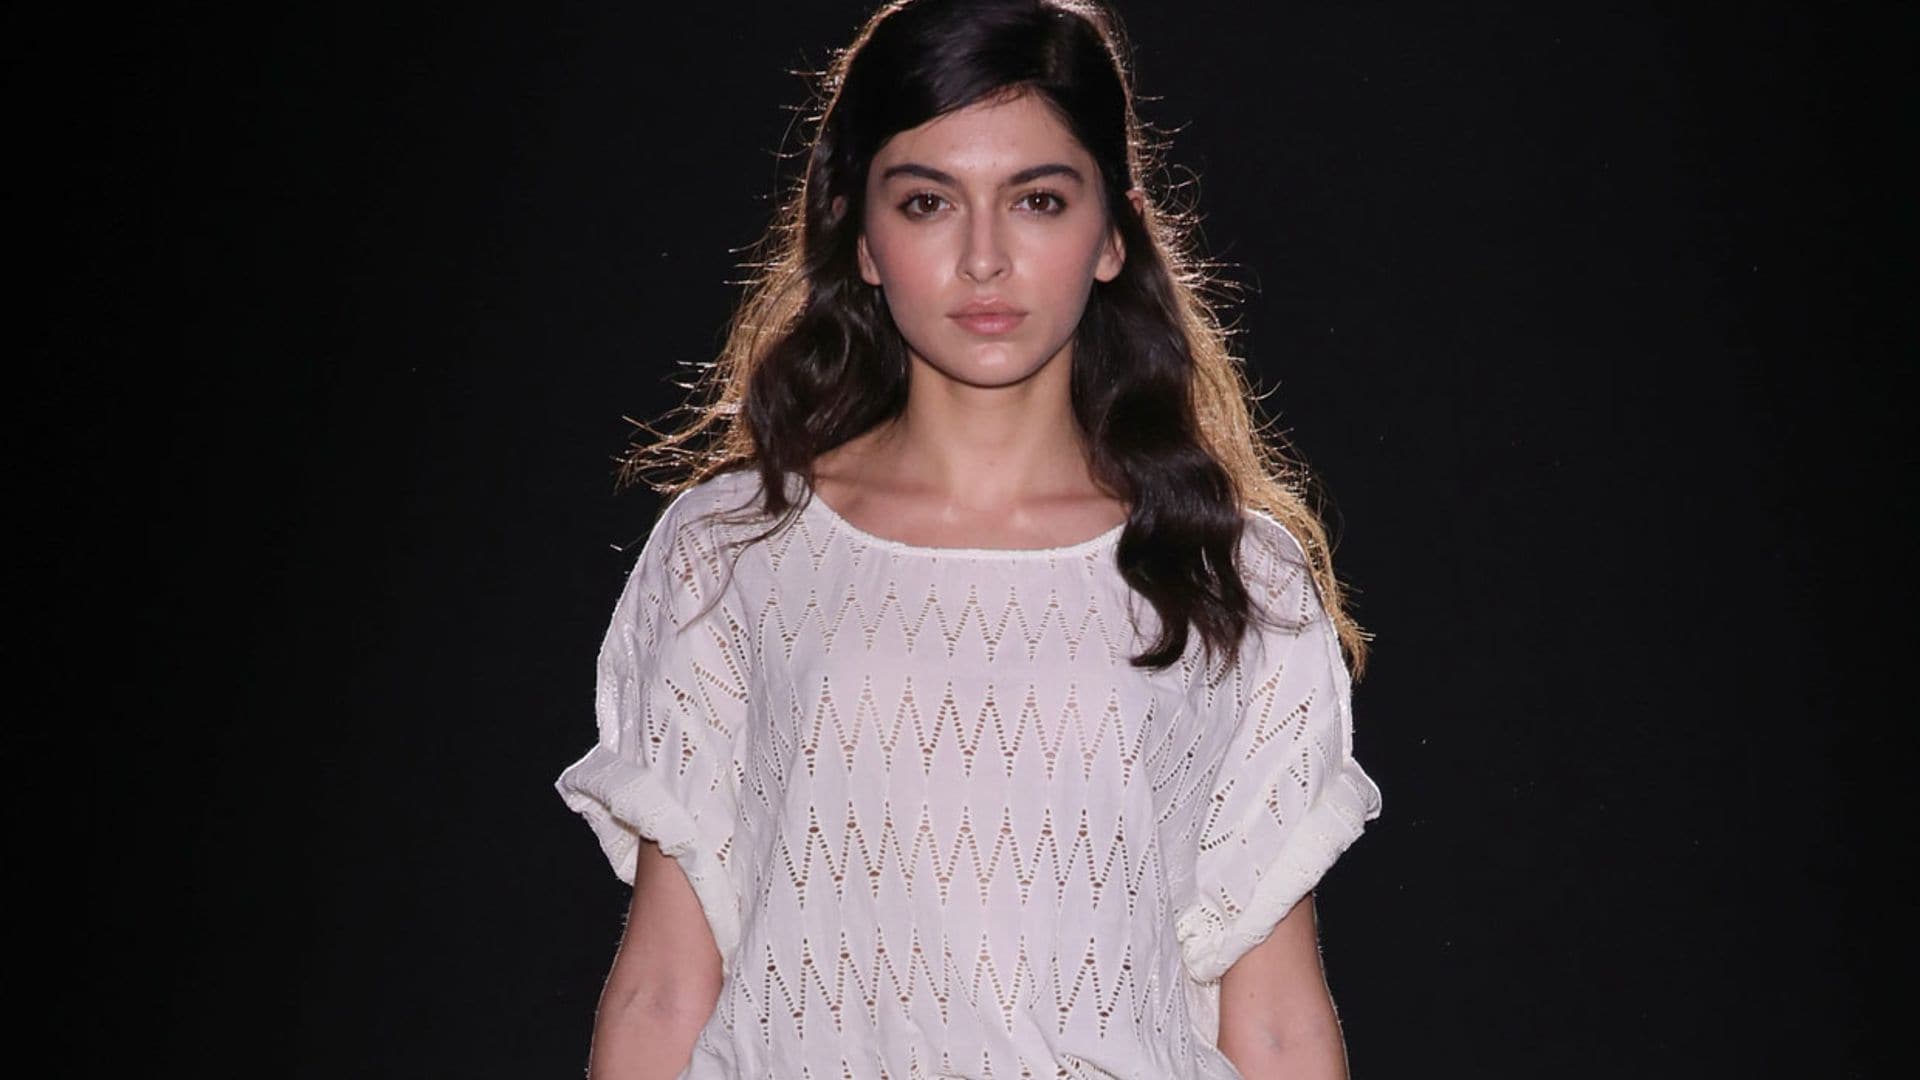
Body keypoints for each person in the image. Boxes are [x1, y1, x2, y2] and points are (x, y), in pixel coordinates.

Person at [554, 1, 1382, 1076]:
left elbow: (1271, 1018)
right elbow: (666, 986)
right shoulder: (734, 553)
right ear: (862, 237)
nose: (984, 259)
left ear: (1113, 234)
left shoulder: (1228, 572)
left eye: (1038, 200)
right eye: (927, 201)